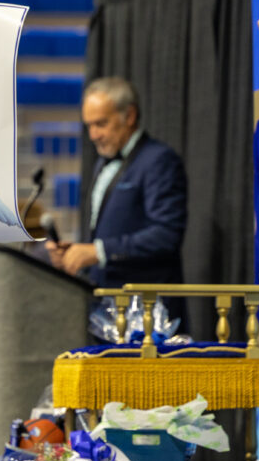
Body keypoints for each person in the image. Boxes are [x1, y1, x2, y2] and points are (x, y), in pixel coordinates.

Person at [46, 77, 187, 324]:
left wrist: (98, 251)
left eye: (101, 124)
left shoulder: (158, 161)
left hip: (149, 316)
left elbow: (166, 235)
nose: (93, 135)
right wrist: (77, 252)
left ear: (129, 116)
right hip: (107, 310)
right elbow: (111, 230)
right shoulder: (103, 161)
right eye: (89, 126)